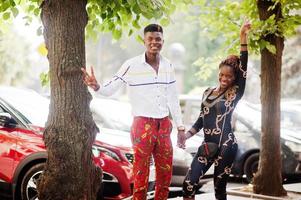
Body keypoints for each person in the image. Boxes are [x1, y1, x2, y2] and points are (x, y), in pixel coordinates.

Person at [81, 24, 186, 200]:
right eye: (150, 39)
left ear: (163, 41)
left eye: (158, 39)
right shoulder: (131, 65)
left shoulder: (168, 66)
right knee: (141, 173)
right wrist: (97, 86)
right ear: (144, 41)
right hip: (142, 125)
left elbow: (173, 99)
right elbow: (110, 88)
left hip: (164, 126)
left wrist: (181, 128)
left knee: (165, 174)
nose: (154, 42)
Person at [181, 21, 251, 200]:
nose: (224, 78)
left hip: (226, 146)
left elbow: (243, 68)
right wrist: (186, 135)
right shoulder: (207, 92)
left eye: (229, 76)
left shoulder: (235, 92)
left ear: (234, 78)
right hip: (207, 146)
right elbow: (200, 120)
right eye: (222, 74)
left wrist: (243, 37)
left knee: (219, 189)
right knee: (188, 184)